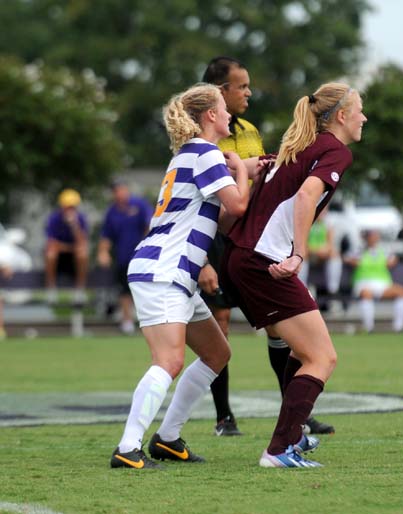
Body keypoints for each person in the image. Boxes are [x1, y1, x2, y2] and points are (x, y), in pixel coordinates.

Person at [220, 82, 367, 467]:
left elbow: (292, 201)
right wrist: (300, 254)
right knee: (322, 358)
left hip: (243, 258)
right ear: (341, 116)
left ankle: (293, 436)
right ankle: (278, 449)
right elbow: (305, 197)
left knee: (306, 354)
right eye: (360, 110)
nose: (364, 117)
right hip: (261, 261)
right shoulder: (335, 150)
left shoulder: (300, 146)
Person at [110, 83, 254, 469]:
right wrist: (241, 168)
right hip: (163, 270)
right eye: (224, 107)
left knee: (217, 352)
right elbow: (238, 205)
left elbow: (220, 219)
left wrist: (244, 171)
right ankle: (127, 448)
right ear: (210, 115)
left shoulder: (190, 155)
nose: (229, 114)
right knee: (169, 360)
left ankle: (168, 439)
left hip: (174, 272)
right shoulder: (206, 153)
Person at [200, 56, 334, 437]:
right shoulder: (202, 133)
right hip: (216, 240)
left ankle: (294, 412)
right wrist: (203, 263)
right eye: (241, 86)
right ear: (219, 92)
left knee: (278, 328)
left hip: (253, 238)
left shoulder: (249, 129)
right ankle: (223, 416)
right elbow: (216, 181)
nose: (248, 92)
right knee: (220, 327)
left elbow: (264, 179)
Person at [97, 180, 153, 334]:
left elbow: (150, 225)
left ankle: (150, 321)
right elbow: (106, 235)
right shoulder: (112, 212)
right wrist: (103, 252)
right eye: (116, 191)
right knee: (124, 290)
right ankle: (127, 321)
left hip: (143, 256)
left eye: (121, 190)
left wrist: (145, 247)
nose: (119, 194)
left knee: (146, 288)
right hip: (123, 257)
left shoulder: (139, 205)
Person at [344, 229, 403, 333]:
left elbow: (393, 259)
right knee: (366, 294)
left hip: (383, 284)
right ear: (366, 238)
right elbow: (347, 258)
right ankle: (369, 328)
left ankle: (399, 327)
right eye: (371, 236)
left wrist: (392, 261)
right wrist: (354, 261)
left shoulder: (383, 250)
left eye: (376, 236)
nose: (374, 239)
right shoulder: (358, 250)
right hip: (364, 283)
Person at [44, 188, 89, 304]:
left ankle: (79, 290)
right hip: (58, 261)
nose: (70, 210)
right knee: (50, 253)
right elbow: (51, 243)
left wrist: (74, 226)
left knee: (82, 253)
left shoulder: (80, 219)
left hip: (74, 261)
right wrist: (71, 247)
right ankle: (51, 289)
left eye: (73, 207)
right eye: (68, 207)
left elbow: (82, 242)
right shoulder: (54, 219)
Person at [298, 206, 344, 304]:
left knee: (334, 255)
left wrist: (325, 250)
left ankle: (333, 289)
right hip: (309, 253)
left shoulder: (328, 224)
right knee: (302, 255)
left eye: (325, 210)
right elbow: (302, 243)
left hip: (322, 254)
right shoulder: (307, 223)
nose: (322, 213)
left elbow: (330, 243)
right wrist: (315, 250)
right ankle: (302, 287)